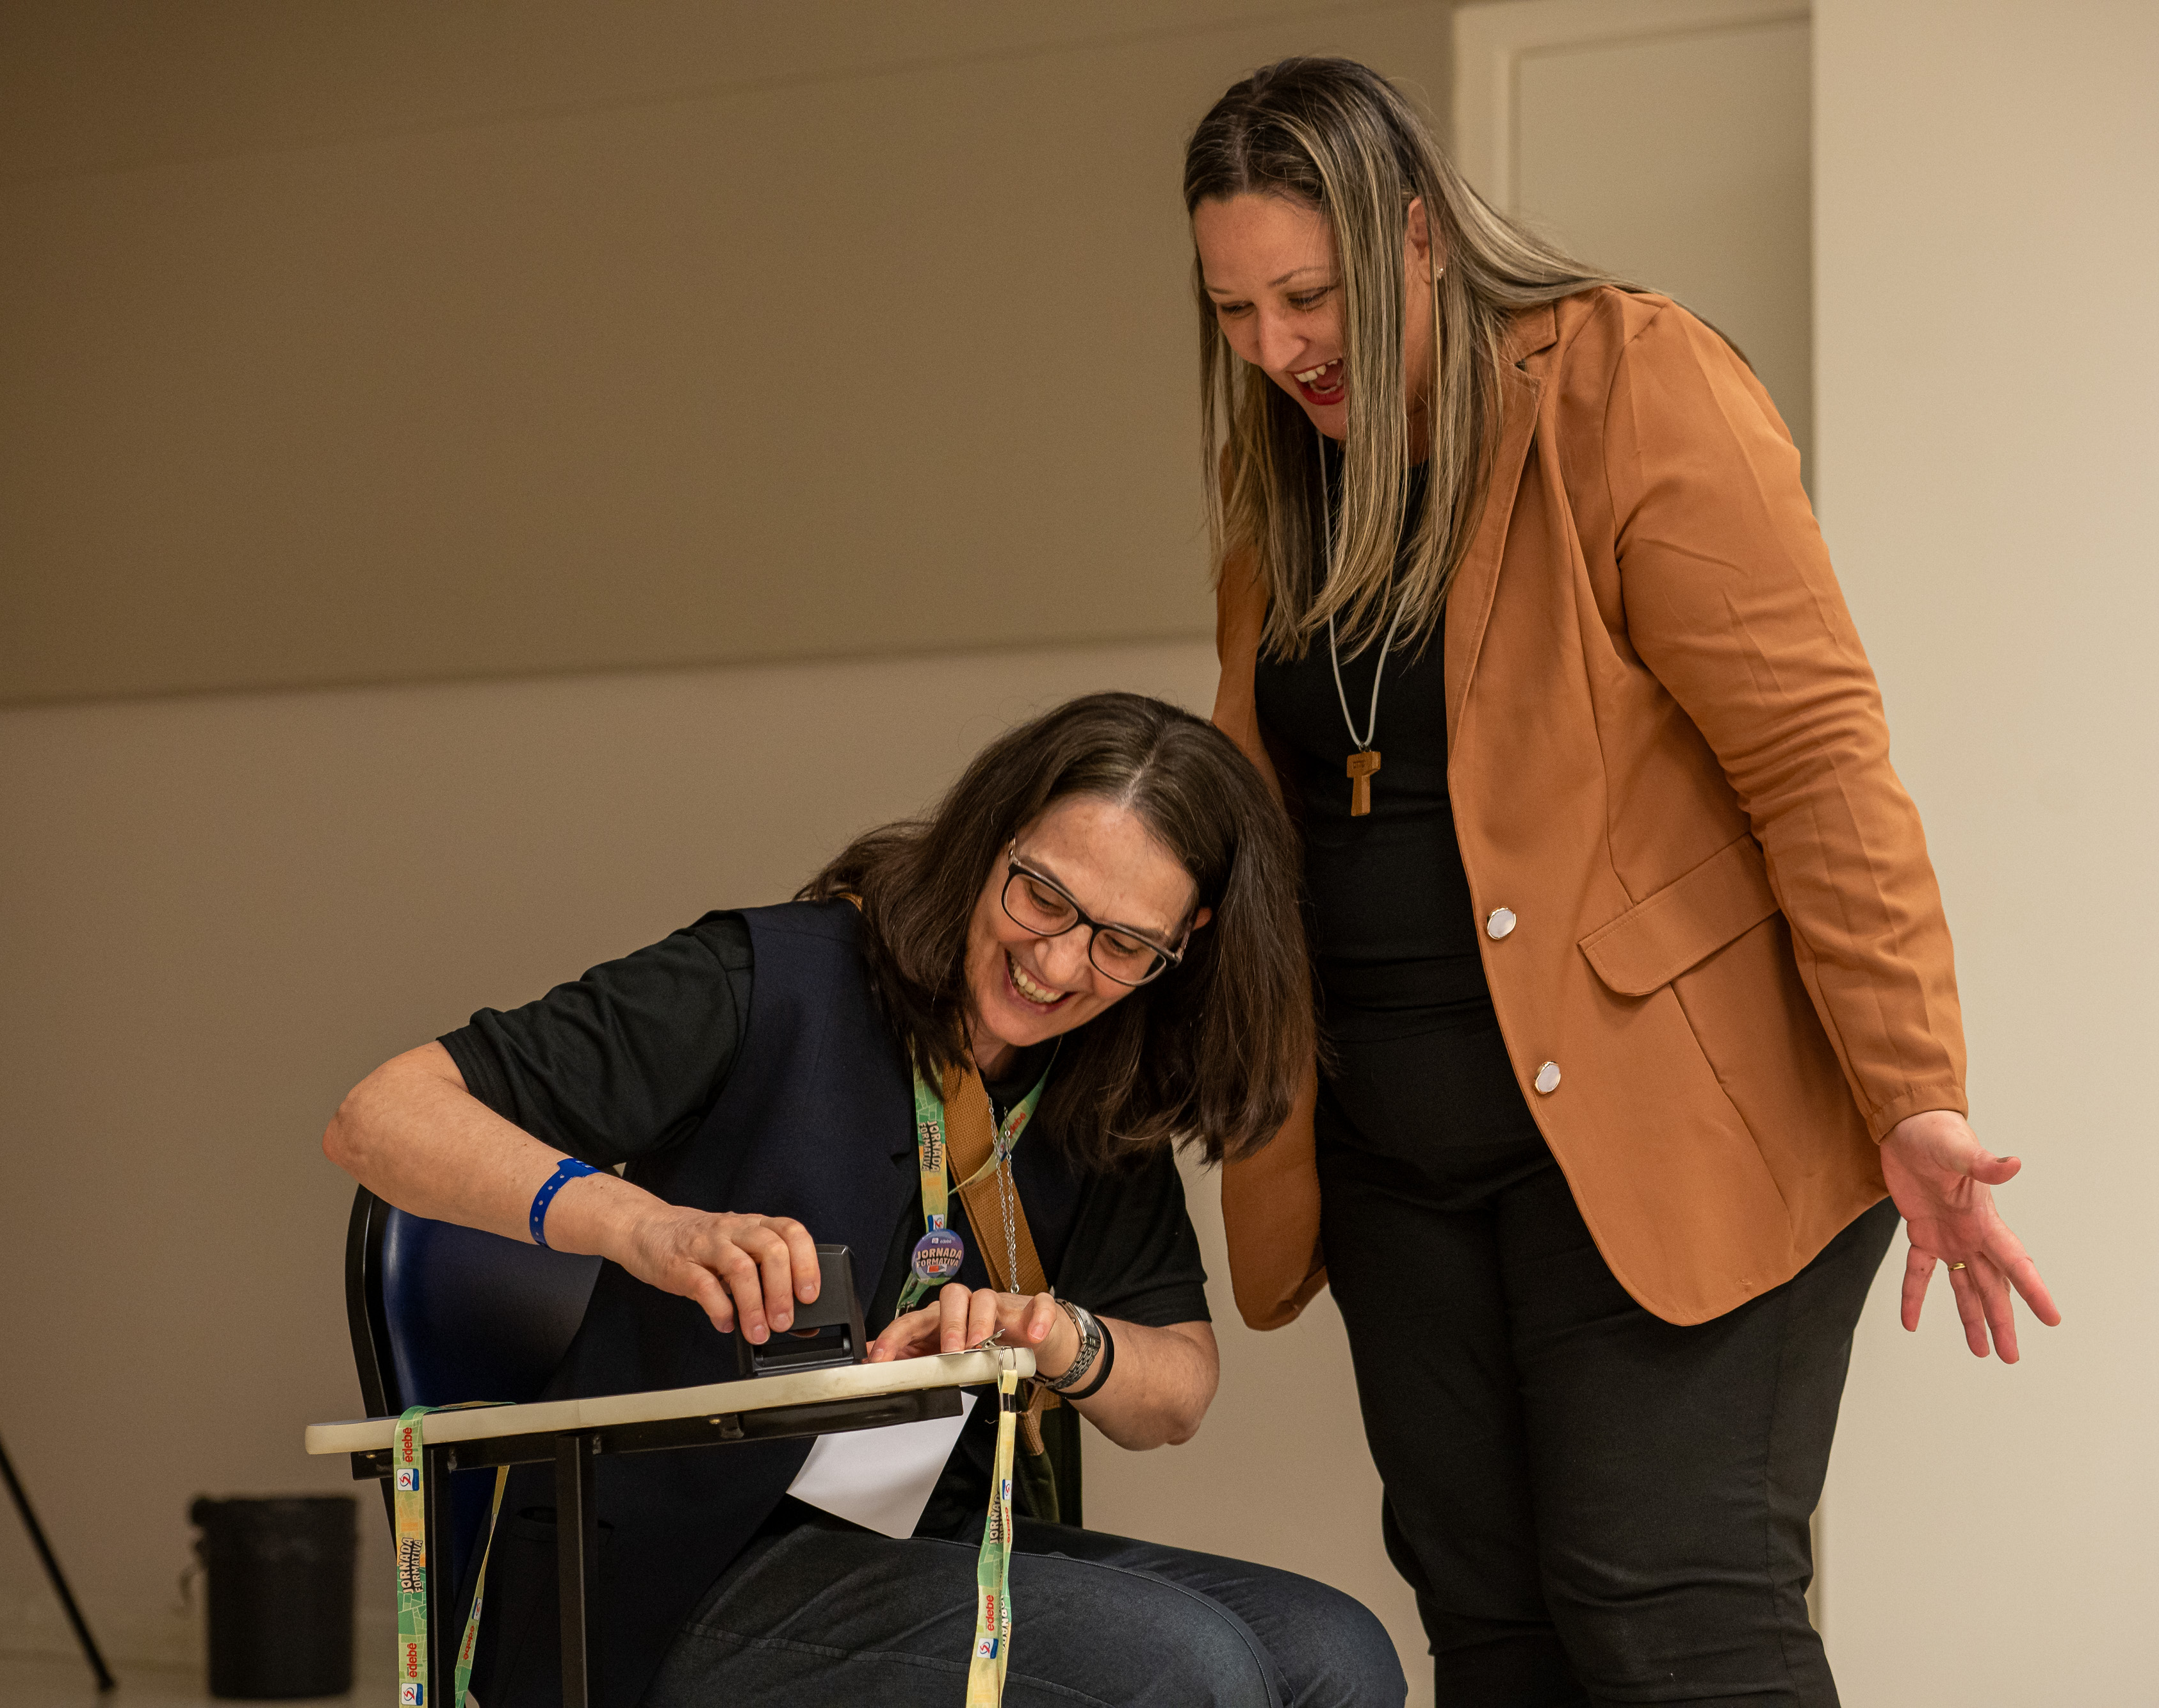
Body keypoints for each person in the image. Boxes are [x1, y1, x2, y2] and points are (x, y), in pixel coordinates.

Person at [1181, 58, 2064, 1707]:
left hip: (1658, 1127)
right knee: (1496, 1632)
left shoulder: (1622, 380)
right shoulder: (1283, 493)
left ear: (1417, 238)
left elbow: (1811, 757)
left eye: (1307, 296)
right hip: (1396, 1158)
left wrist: (1912, 1087)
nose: (1278, 348)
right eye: (1233, 311)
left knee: (1667, 1608)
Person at [322, 692, 1406, 1708]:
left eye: (1123, 945)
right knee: (1185, 1669)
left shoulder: (1094, 1078)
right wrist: (645, 1226)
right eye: (1043, 896)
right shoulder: (767, 981)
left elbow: (1175, 1393)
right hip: (665, 1565)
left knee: (1336, 1655)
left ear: (1188, 944)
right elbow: (380, 1116)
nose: (1060, 965)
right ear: (992, 841)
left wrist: (1058, 1336)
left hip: (917, 1546)